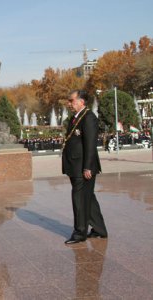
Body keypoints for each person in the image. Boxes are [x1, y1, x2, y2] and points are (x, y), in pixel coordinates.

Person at [62, 90, 108, 244]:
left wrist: (87, 167)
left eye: (71, 100)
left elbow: (90, 145)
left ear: (81, 101)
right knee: (88, 198)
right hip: (75, 165)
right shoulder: (76, 117)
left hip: (83, 167)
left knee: (79, 199)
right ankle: (99, 229)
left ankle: (79, 233)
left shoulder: (88, 117)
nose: (69, 103)